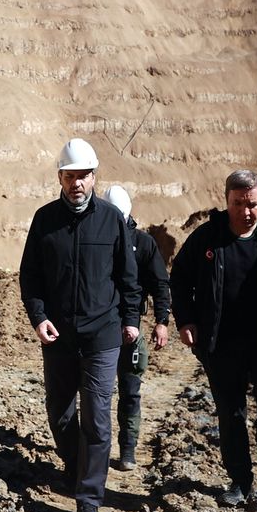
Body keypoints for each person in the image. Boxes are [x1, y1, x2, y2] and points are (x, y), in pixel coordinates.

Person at [170, 169, 257, 506]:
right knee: (230, 412)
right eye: (238, 204)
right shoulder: (207, 238)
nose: (245, 211)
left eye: (252, 204)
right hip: (221, 342)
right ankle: (239, 481)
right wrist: (186, 320)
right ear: (227, 201)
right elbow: (179, 280)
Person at [20, 138, 140, 512]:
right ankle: (76, 466)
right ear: (60, 177)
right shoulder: (44, 220)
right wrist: (39, 318)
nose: (78, 183)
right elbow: (31, 277)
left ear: (94, 176)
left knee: (97, 417)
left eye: (84, 176)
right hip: (59, 335)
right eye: (70, 176)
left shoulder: (111, 220)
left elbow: (128, 277)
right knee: (59, 410)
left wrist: (131, 319)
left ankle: (88, 500)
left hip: (102, 334)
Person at [103, 185, 171, 472]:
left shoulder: (143, 244)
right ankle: (95, 450)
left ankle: (127, 449)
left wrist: (161, 321)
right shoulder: (96, 239)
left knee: (130, 390)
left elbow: (159, 283)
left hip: (130, 330)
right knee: (98, 394)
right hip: (99, 328)